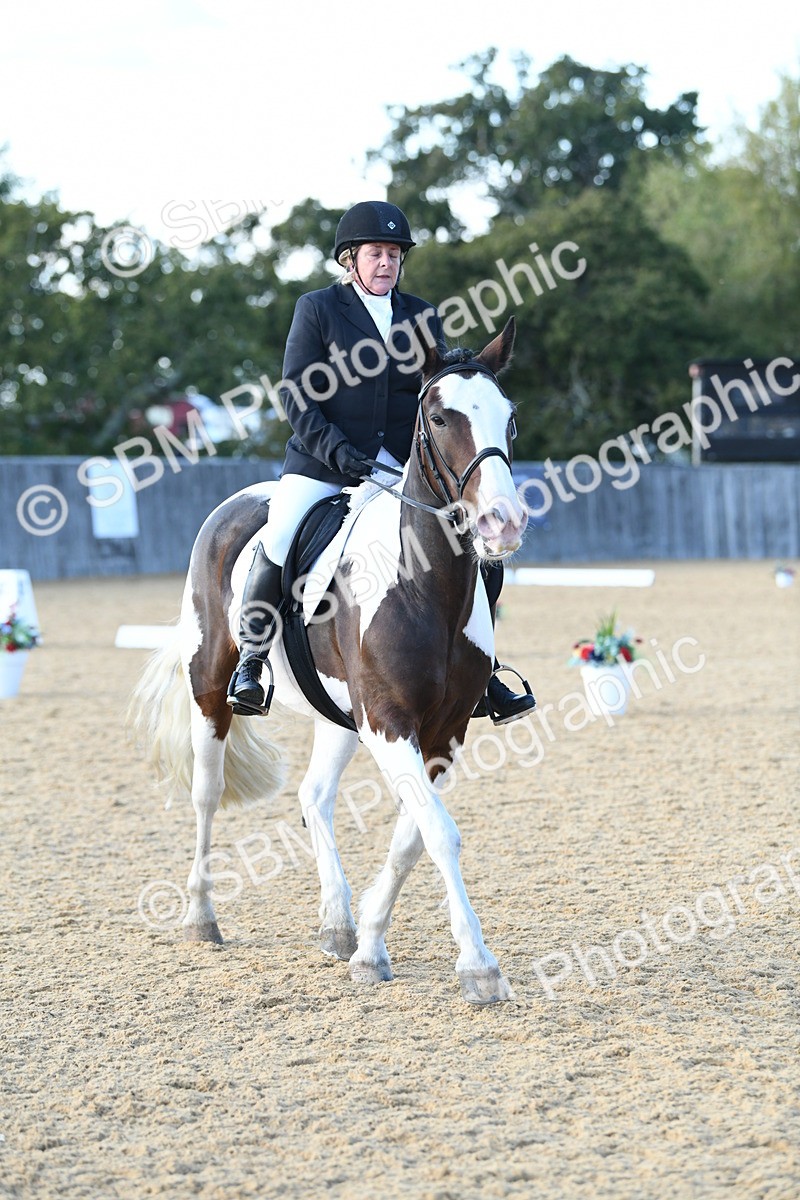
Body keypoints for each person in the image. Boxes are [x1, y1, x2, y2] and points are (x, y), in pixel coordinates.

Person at [228, 200, 535, 725]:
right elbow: (296, 395)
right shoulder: (318, 309)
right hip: (323, 462)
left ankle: (482, 669)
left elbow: (438, 389)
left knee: (468, 540)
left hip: (399, 466)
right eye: (376, 253)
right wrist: (336, 451)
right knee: (279, 535)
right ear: (351, 259)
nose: (386, 263)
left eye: (394, 254)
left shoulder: (420, 315)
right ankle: (252, 660)